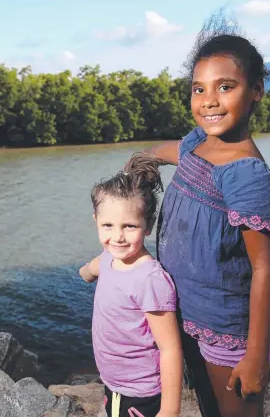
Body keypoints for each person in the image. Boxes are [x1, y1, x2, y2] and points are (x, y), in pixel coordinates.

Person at [138, 17, 270, 417]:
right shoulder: (200, 144)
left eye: (226, 87)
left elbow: (265, 272)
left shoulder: (248, 177)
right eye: (199, 89)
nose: (209, 100)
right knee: (209, 405)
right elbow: (178, 152)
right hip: (186, 310)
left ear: (256, 91)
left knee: (236, 411)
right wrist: (147, 155)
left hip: (227, 326)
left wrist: (255, 357)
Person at [79, 154, 183, 417]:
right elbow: (89, 271)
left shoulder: (149, 280)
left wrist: (170, 410)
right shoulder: (107, 259)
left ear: (148, 225)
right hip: (114, 382)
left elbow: (170, 348)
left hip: (139, 391)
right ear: (95, 221)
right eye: (107, 225)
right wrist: (85, 273)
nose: (117, 237)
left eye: (129, 226)